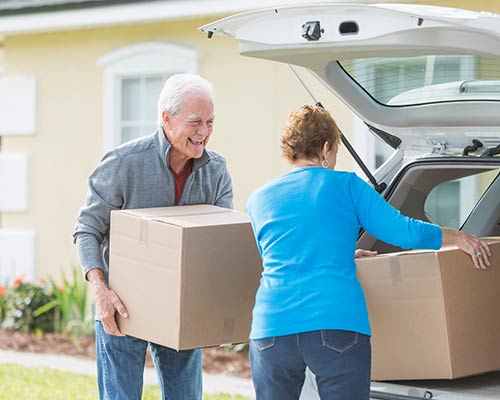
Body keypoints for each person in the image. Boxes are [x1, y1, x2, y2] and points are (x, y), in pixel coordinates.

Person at [245, 105, 491, 400]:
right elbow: (402, 231)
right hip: (334, 324)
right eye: (335, 150)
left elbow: (285, 255)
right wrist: (457, 237)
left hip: (271, 329)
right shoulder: (346, 184)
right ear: (326, 147)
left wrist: (341, 254)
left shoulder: (258, 199)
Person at [73, 74, 233, 400]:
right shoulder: (123, 164)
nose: (204, 131)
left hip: (181, 311)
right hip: (122, 307)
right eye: (195, 122)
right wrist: (101, 291)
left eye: (210, 122)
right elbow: (87, 229)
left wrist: (215, 314)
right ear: (166, 118)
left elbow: (221, 244)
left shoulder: (216, 171)